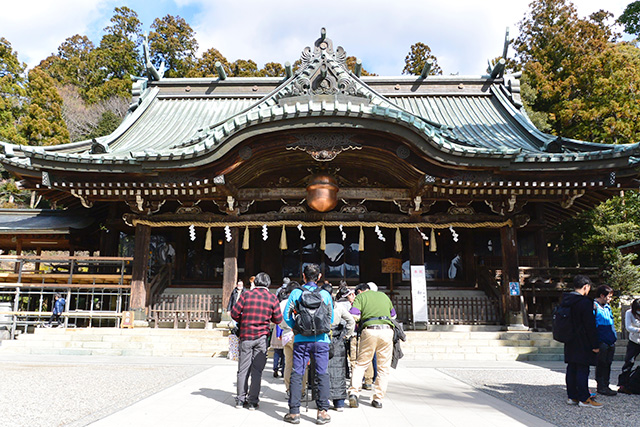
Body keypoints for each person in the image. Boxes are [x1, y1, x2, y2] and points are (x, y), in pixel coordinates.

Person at [283, 264, 334, 425]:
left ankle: (294, 412)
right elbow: (330, 318)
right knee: (322, 374)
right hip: (321, 341)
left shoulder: (296, 293)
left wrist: (296, 327)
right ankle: (322, 412)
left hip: (300, 340)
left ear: (303, 276)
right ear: (318, 277)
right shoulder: (325, 294)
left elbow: (286, 314)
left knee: (297, 373)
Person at [230, 272, 282, 410]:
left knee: (243, 369)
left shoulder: (246, 295)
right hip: (261, 338)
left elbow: (234, 313)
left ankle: (240, 400)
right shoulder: (272, 298)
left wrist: (244, 320)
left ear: (256, 282)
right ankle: (253, 402)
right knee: (257, 371)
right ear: (268, 284)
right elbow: (278, 319)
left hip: (246, 336)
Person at [347, 282, 396, 409]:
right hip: (387, 331)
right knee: (383, 367)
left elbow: (354, 315)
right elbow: (393, 315)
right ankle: (378, 399)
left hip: (369, 330)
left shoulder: (360, 297)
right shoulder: (384, 296)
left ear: (359, 291)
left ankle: (354, 392)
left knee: (361, 364)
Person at [561, 275, 601, 408]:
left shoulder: (565, 300)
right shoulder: (584, 302)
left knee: (572, 368)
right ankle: (584, 398)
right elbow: (589, 325)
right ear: (586, 287)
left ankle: (572, 397)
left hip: (569, 339)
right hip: (583, 341)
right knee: (583, 369)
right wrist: (595, 344)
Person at [329, 286, 355, 411]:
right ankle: (339, 403)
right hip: (337, 339)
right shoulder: (338, 307)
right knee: (338, 370)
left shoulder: (317, 306)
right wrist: (347, 335)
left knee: (322, 370)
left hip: (322, 339)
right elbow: (351, 321)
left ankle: (322, 401)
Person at [594, 285, 617, 396]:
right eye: (609, 296)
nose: (610, 299)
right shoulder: (594, 307)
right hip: (601, 339)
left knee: (608, 363)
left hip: (610, 339)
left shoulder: (607, 307)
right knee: (601, 363)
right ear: (602, 295)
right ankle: (601, 385)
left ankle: (606, 384)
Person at [618, 298, 640, 393]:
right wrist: (638, 330)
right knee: (629, 362)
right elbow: (628, 327)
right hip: (634, 341)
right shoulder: (629, 313)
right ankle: (623, 384)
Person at [226, 280, 245, 361]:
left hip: (242, 310)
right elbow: (231, 301)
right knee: (234, 325)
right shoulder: (234, 292)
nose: (240, 286)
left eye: (241, 284)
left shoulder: (245, 292)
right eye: (239, 284)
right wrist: (228, 309)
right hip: (235, 309)